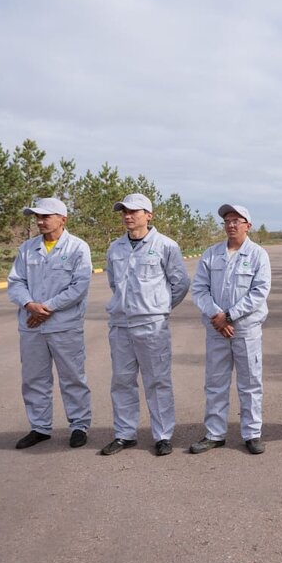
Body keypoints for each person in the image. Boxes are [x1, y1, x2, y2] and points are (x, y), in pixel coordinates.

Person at [100, 193, 191, 457]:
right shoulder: (115, 247)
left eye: (134, 211)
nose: (128, 216)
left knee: (157, 381)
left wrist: (158, 307)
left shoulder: (166, 246)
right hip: (120, 324)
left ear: (149, 215)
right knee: (122, 380)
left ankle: (162, 435)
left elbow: (180, 284)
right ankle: (125, 434)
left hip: (152, 324)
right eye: (124, 212)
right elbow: (114, 283)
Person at [6, 197, 94, 450]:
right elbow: (16, 282)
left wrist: (48, 307)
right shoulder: (27, 248)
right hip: (31, 324)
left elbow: (79, 285)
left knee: (72, 377)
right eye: (37, 217)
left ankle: (78, 425)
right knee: (34, 378)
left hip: (64, 324)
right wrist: (29, 305)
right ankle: (40, 427)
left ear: (62, 219)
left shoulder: (78, 248)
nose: (40, 221)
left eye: (46, 216)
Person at [188, 203, 271, 455]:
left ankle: (252, 433)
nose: (231, 224)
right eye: (227, 220)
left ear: (248, 225)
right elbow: (199, 289)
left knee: (250, 383)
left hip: (245, 330)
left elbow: (259, 292)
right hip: (217, 330)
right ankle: (214, 434)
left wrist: (230, 316)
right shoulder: (211, 254)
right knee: (215, 383)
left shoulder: (258, 255)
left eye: (237, 220)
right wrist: (217, 316)